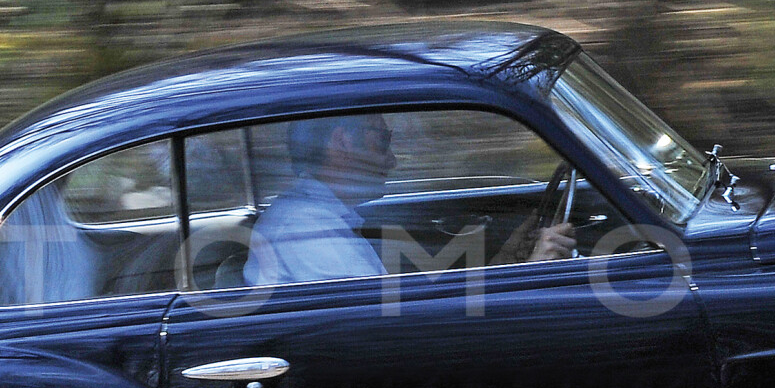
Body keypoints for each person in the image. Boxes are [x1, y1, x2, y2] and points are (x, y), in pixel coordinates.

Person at [244, 112, 574, 285]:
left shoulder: (316, 220)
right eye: (382, 141)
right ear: (342, 142)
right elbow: (394, 329)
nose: (392, 161)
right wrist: (535, 269)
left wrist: (507, 265)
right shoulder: (307, 230)